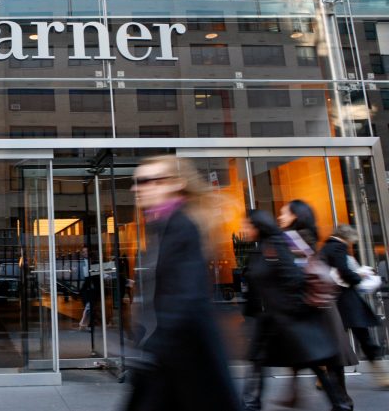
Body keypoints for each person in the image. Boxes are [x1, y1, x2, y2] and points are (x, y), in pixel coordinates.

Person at [125, 155, 240, 411]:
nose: (136, 188)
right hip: (173, 356)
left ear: (173, 184)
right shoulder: (162, 225)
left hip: (180, 355)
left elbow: (185, 295)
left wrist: (154, 343)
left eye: (145, 181)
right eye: (136, 181)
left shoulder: (181, 226)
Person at [241, 210, 351, 411]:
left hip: (288, 318)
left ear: (258, 226)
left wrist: (293, 310)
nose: (244, 229)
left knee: (312, 362)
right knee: (258, 360)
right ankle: (252, 402)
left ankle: (340, 402)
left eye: (247, 225)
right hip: (271, 318)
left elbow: (294, 279)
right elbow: (257, 286)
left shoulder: (277, 246)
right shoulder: (260, 250)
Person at [321, 224, 389, 389]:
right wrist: (359, 277)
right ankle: (382, 375)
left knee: (334, 339)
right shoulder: (338, 247)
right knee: (364, 338)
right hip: (346, 301)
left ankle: (323, 378)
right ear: (347, 237)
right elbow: (344, 272)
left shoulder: (325, 248)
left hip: (334, 300)